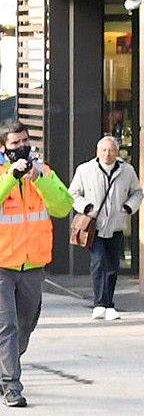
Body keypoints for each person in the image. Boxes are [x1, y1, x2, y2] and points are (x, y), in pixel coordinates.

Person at [0, 122, 73, 407]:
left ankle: (7, 362)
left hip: (31, 263)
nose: (22, 147)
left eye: (25, 141)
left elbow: (62, 206)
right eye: (15, 143)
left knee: (26, 325)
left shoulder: (42, 171)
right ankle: (11, 386)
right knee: (6, 324)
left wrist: (38, 177)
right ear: (1, 147)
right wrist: (11, 178)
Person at [70, 136, 142, 320]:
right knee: (98, 262)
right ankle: (99, 303)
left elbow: (137, 192)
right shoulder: (85, 170)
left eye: (111, 150)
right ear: (97, 152)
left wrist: (128, 207)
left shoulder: (127, 170)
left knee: (112, 265)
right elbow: (73, 193)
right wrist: (86, 207)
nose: (108, 154)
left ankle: (109, 303)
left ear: (117, 152)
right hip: (96, 225)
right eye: (104, 150)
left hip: (117, 225)